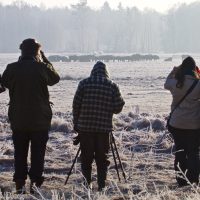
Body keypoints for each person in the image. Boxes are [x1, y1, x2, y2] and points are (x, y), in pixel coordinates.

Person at [1, 38, 60, 194]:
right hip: (40, 120)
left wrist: (19, 64)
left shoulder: (12, 68)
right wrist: (45, 59)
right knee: (38, 154)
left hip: (18, 120)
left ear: (21, 51)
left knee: (19, 153)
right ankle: (35, 186)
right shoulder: (42, 68)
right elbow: (55, 79)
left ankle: (19, 185)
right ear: (37, 51)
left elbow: (3, 83)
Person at [72, 61, 125, 191]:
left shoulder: (84, 83)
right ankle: (101, 185)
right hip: (103, 128)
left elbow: (76, 105)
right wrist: (108, 108)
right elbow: (119, 106)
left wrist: (76, 123)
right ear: (106, 72)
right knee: (102, 158)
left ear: (93, 71)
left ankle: (87, 184)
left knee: (86, 157)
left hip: (85, 128)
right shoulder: (112, 85)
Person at [164, 56, 200, 186]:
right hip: (194, 124)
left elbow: (166, 84)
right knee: (193, 152)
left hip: (177, 123)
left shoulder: (176, 82)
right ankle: (193, 180)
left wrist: (174, 71)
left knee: (180, 151)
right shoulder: (197, 83)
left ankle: (181, 180)